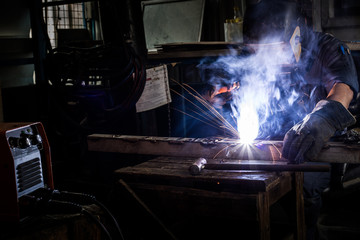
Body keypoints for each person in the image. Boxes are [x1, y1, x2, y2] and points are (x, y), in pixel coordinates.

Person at [242, 0, 359, 239]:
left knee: (302, 186)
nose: (270, 58)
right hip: (282, 141)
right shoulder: (260, 57)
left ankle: (306, 232)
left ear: (300, 30)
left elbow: (342, 90)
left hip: (323, 142)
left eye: (276, 48)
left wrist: (322, 118)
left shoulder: (328, 48)